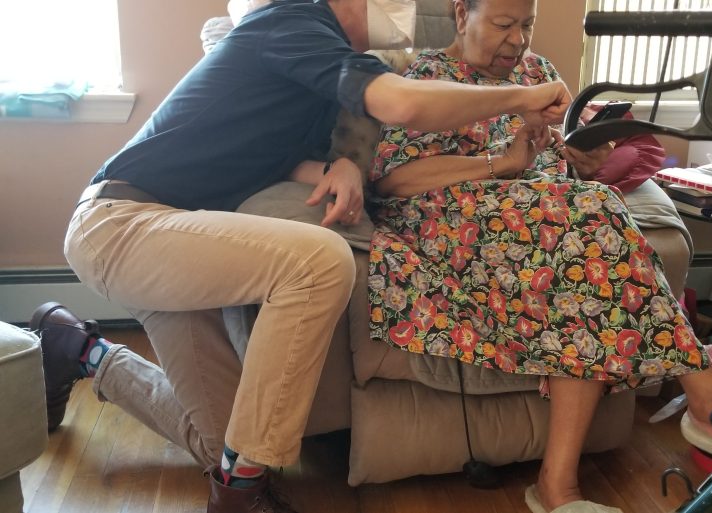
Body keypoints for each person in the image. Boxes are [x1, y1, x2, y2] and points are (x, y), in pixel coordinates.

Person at [30, 0, 573, 512]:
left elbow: (281, 158)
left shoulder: (329, 71)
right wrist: (525, 94)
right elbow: (404, 102)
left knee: (226, 440)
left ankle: (77, 348)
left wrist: (343, 169)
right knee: (318, 263)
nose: (402, 17)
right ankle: (240, 495)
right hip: (122, 221)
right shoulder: (288, 22)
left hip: (183, 235)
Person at [365, 0, 712, 512]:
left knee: (587, 263)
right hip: (454, 227)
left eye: (527, 25)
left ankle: (556, 489)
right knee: (590, 231)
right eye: (502, 25)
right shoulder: (427, 77)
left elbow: (565, 172)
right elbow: (394, 179)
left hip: (551, 226)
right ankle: (704, 391)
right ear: (460, 14)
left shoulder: (538, 72)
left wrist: (584, 159)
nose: (517, 40)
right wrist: (503, 163)